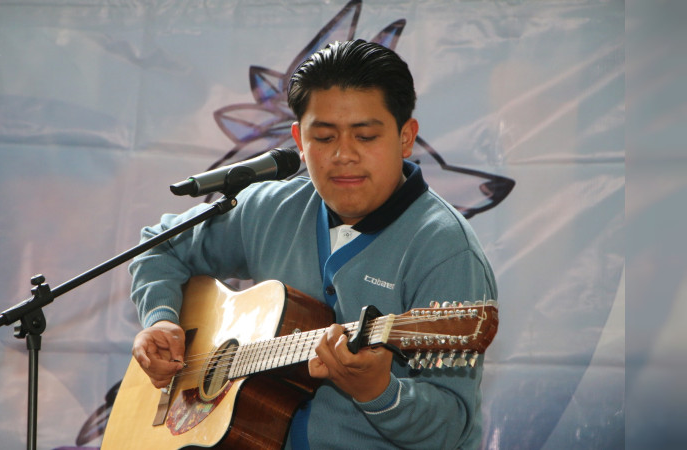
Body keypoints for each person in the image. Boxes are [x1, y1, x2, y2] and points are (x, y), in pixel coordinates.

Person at [129, 39, 497, 449]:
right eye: (323, 137)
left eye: (366, 136)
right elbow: (157, 246)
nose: (343, 155)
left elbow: (452, 428)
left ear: (406, 137)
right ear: (298, 141)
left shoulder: (446, 250)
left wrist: (378, 392)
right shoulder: (271, 207)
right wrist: (161, 319)